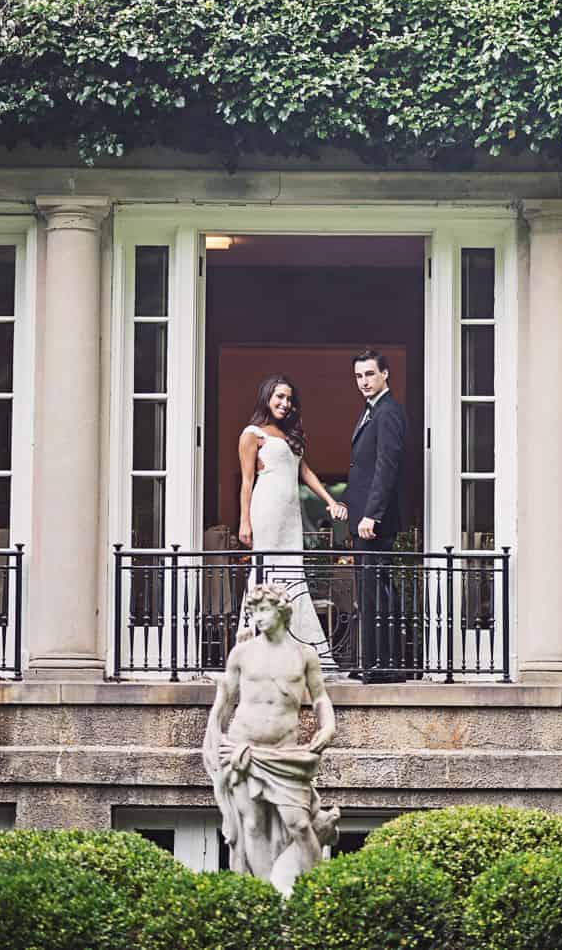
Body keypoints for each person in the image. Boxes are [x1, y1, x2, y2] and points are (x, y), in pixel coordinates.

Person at [201, 583, 340, 896]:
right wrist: (218, 738)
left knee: (300, 825)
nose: (258, 617)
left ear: (283, 610)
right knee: (251, 824)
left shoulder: (304, 655)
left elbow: (320, 697)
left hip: (285, 754)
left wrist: (328, 725)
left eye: (264, 610)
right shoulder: (242, 653)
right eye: (253, 612)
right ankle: (269, 898)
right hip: (243, 748)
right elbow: (228, 699)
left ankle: (320, 895)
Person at [237, 374, 346, 653]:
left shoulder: (289, 436)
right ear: (267, 397)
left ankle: (299, 648)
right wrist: (244, 522)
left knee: (294, 574)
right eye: (279, 397)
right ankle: (256, 645)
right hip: (266, 511)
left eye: (289, 399)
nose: (285, 403)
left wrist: (330, 501)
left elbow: (305, 471)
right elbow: (247, 481)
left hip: (290, 515)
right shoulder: (252, 434)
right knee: (265, 572)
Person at [346, 349, 409, 682]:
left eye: (369, 374)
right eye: (358, 376)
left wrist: (371, 515)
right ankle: (370, 660)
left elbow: (387, 466)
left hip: (375, 523)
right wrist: (345, 504)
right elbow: (363, 469)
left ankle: (385, 664)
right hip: (363, 519)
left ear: (385, 374)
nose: (364, 382)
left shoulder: (388, 412)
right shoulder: (370, 411)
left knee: (378, 592)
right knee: (369, 592)